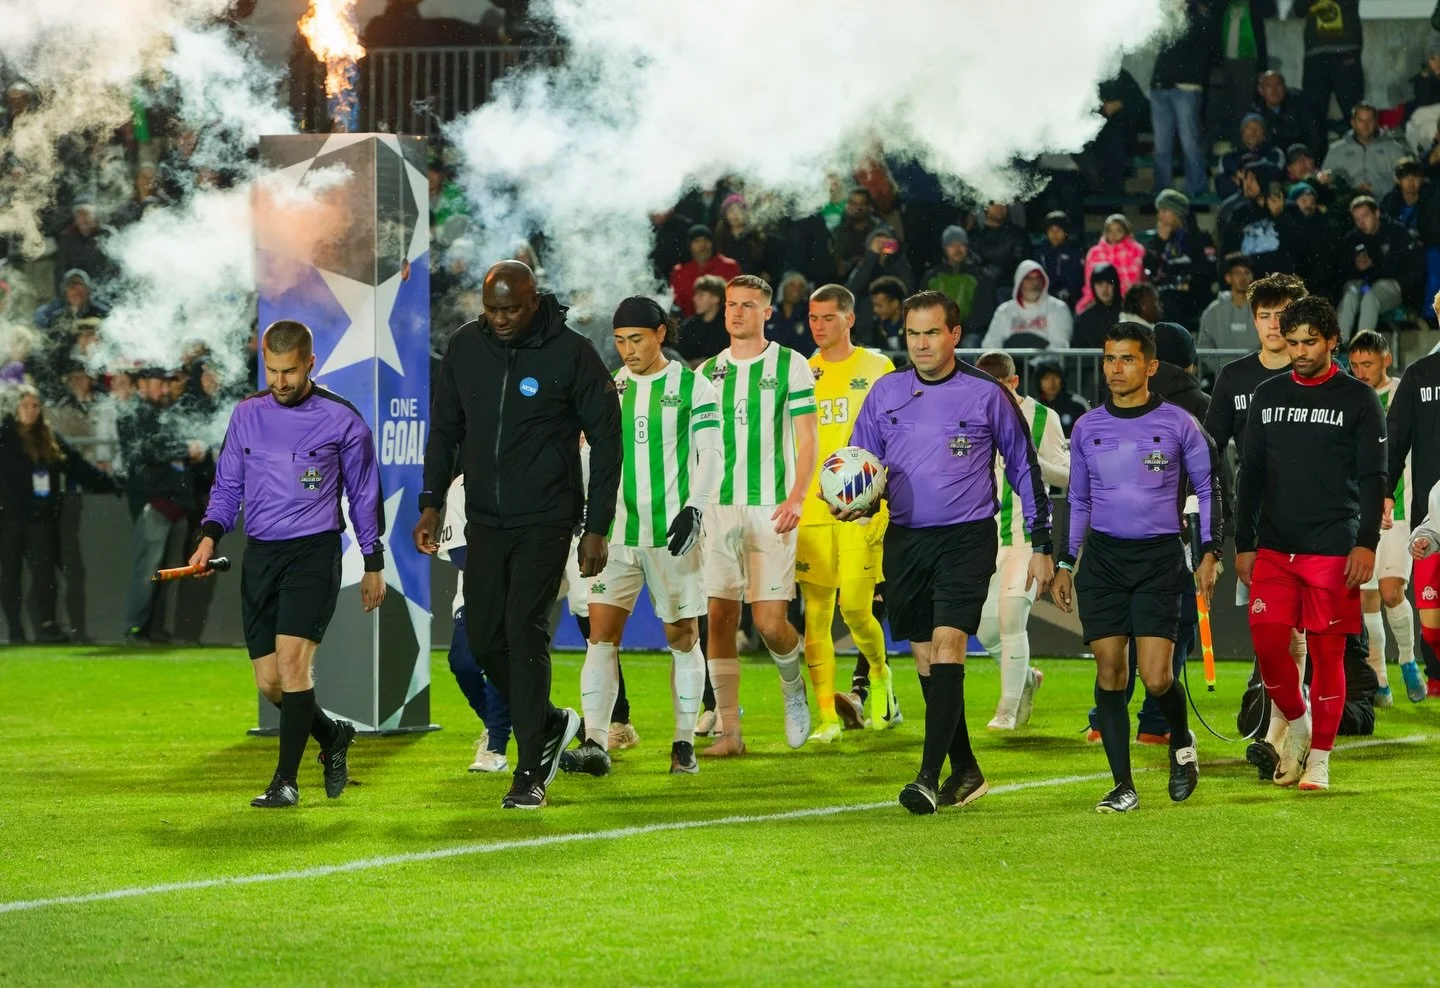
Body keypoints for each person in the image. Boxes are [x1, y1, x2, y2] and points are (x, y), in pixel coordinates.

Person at [416, 261, 623, 810]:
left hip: (547, 518)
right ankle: (550, 721)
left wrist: (596, 525)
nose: (501, 320)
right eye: (492, 311)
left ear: (535, 301)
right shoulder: (465, 348)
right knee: (484, 640)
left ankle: (529, 769)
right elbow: (444, 429)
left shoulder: (572, 352)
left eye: (511, 309)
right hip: (484, 518)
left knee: (524, 632)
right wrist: (431, 502)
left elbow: (607, 439)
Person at [844, 290, 1053, 815]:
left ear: (955, 335)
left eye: (931, 333)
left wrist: (1043, 543)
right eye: (913, 334)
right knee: (925, 659)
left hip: (967, 537)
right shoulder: (885, 392)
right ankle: (966, 768)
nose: (920, 344)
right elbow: (859, 462)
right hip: (906, 539)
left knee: (948, 646)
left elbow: (1025, 467)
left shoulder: (985, 393)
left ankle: (926, 778)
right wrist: (856, 502)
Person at [190, 321, 383, 808]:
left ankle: (285, 781)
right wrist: (208, 538)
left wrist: (372, 561)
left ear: (311, 365)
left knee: (295, 667)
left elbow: (363, 495)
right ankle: (332, 735)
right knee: (271, 683)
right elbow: (227, 485)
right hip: (261, 555)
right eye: (273, 371)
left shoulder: (343, 420)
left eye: (290, 372)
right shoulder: (246, 415)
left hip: (313, 553)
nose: (280, 382)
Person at [1052, 323, 1218, 812]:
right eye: (1108, 359)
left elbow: (1208, 490)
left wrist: (1210, 551)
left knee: (1157, 676)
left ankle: (1181, 741)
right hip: (1103, 560)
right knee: (1110, 672)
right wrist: (1066, 560)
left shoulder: (1179, 423)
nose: (1115, 369)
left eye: (1126, 359)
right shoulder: (1087, 427)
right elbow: (1078, 498)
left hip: (1158, 559)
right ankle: (1123, 784)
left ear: (1150, 366)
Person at [560, 298, 721, 777]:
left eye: (637, 339)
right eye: (621, 341)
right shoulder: (612, 389)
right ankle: (595, 742)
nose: (628, 350)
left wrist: (695, 508)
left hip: (672, 534)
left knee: (682, 636)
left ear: (660, 334)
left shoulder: (692, 387)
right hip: (616, 534)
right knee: (600, 638)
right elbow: (592, 457)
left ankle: (684, 742)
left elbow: (711, 454)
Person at [1235, 294, 1386, 792]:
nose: (1299, 351)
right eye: (1293, 341)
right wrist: (1245, 541)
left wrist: (1364, 543)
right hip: (1276, 546)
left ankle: (1319, 757)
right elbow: (1250, 474)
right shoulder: (1268, 395)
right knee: (1267, 641)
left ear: (1331, 342)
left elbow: (1372, 477)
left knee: (1326, 655)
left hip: (1332, 546)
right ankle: (1297, 727)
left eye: (1309, 342)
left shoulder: (1358, 399)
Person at [696, 275, 818, 756]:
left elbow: (807, 439)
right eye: (731, 304)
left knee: (769, 622)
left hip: (771, 507)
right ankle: (731, 732)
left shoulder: (791, 365)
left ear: (767, 312)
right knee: (719, 619)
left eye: (748, 305)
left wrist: (797, 498)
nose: (737, 312)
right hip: (716, 509)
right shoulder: (707, 373)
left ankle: (794, 692)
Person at [1203, 272, 1312, 776]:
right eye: (1264, 315)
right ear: (1252, 320)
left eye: (1281, 314)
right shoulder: (1235, 378)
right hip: (1257, 524)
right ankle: (1288, 726)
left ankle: (1277, 734)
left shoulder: (1317, 375)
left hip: (1311, 520)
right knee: (1270, 633)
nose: (1272, 324)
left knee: (1293, 633)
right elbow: (1206, 446)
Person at [794, 284, 896, 741]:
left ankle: (880, 678)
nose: (818, 326)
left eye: (827, 318)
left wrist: (883, 498)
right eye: (813, 318)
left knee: (856, 609)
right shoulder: (801, 371)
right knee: (815, 613)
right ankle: (827, 719)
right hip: (815, 509)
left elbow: (897, 432)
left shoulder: (878, 368)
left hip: (864, 508)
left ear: (849, 319)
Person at [974, 351, 1068, 730]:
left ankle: (1007, 710)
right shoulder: (972, 415)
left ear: (1013, 383)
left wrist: (1032, 462)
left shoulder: (1044, 419)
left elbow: (1070, 477)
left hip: (1028, 537)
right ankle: (1027, 678)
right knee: (984, 631)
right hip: (985, 539)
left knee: (1012, 617)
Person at [1346, 332, 1427, 705]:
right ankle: (1380, 679)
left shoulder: (1403, 393)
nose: (1361, 372)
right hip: (1359, 512)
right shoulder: (1347, 399)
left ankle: (1408, 661)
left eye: (1368, 364)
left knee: (1393, 591)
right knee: (1368, 601)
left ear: (1386, 359)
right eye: (1356, 365)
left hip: (1398, 510)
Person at [0, 386, 113, 645]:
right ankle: (16, 629)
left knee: (45, 576)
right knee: (10, 576)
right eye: (26, 405)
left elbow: (75, 466)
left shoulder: (48, 438)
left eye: (35, 406)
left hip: (41, 519)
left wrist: (107, 484)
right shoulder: (5, 437)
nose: (31, 411)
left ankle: (47, 625)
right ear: (15, 409)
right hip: (9, 519)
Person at [1383, 295, 1440, 700]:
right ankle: (1434, 670)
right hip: (1430, 518)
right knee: (1432, 613)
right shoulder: (1419, 376)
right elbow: (1394, 439)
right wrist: (1384, 492)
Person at [437, 473, 513, 773]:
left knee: (498, 661)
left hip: (519, 592)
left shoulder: (529, 471)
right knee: (462, 663)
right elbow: (459, 552)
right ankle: (496, 721)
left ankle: (495, 745)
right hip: (474, 594)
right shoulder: (463, 484)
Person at [1149, 0, 1214, 198]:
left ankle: (1196, 188)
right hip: (1161, 88)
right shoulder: (1163, 18)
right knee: (1161, 146)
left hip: (1186, 88)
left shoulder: (1198, 17)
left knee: (1190, 142)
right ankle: (1162, 190)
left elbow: (1202, 51)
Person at [1336, 195, 1423, 340]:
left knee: (1370, 298)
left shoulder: (1396, 232)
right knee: (1349, 296)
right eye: (1357, 219)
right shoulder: (1352, 238)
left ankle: (1362, 349)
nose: (1361, 222)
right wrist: (1356, 267)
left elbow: (1414, 265)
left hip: (1390, 284)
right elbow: (1342, 272)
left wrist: (1402, 284)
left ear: (1376, 213)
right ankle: (1337, 351)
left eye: (1365, 216)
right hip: (1361, 285)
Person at [1141, 190, 1216, 330]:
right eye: (1159, 211)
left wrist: (1183, 282)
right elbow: (1149, 271)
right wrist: (1160, 242)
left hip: (1194, 297)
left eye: (1164, 211)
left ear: (1177, 213)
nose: (1159, 216)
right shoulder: (1157, 240)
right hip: (1166, 299)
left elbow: (1208, 271)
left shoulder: (1200, 238)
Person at [1293, 0, 1364, 144]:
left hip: (1346, 49)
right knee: (1314, 116)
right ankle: (1320, 163)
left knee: (1354, 111)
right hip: (1316, 54)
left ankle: (1360, 158)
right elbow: (1299, 9)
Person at [921, 226, 997, 335]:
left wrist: (961, 330)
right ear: (944, 248)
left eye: (961, 244)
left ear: (967, 247)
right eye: (952, 245)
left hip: (970, 333)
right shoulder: (932, 277)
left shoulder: (982, 276)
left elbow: (984, 313)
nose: (957, 249)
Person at [1322, 103, 1407, 200]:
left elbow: (1403, 175)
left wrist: (1377, 187)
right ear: (1353, 122)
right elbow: (1326, 170)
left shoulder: (1393, 148)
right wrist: (1327, 173)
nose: (1365, 125)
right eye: (1361, 121)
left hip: (1384, 201)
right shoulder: (1336, 149)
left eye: (1370, 120)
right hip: (1348, 201)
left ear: (1376, 122)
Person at [982, 261, 1073, 349]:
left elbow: (1059, 345)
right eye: (1028, 278)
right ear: (1019, 282)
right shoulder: (1004, 310)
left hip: (1045, 364)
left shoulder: (1058, 308)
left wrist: (1035, 364)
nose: (1034, 282)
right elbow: (990, 343)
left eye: (1038, 278)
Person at [669, 225, 742, 318]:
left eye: (706, 240)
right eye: (697, 241)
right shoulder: (679, 271)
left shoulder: (730, 266)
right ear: (689, 245)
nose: (702, 245)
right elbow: (679, 304)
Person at [1078, 215, 1145, 314]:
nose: (1113, 235)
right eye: (1110, 231)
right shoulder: (1094, 252)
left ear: (1126, 231)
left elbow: (1134, 280)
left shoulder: (1136, 249)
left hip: (1127, 300)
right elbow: (1090, 282)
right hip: (1099, 299)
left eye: (1118, 231)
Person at [1216, 114, 1287, 200]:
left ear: (1264, 134)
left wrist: (1243, 179)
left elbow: (1276, 178)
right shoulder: (1228, 158)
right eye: (1249, 128)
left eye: (1258, 128)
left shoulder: (1275, 153)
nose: (1253, 132)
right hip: (1238, 203)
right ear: (1242, 133)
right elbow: (1222, 187)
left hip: (1267, 202)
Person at [1198, 254, 1258, 350]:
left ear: (1252, 277)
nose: (1242, 277)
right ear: (1228, 278)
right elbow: (1204, 348)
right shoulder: (1213, 311)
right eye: (1237, 273)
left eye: (1246, 273)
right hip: (1221, 365)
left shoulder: (1260, 310)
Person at [969, 203, 1030, 292]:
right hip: (982, 290)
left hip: (1011, 290)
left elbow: (1023, 266)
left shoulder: (1018, 234)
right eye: (994, 203)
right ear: (986, 208)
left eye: (1003, 203)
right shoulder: (974, 236)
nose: (999, 207)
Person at [1035, 211, 1085, 310]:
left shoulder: (1074, 250)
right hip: (1045, 296)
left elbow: (1076, 276)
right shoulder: (1041, 251)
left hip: (1069, 297)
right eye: (1051, 230)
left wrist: (1066, 292)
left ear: (1065, 231)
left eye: (1059, 230)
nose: (1055, 234)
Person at [1253, 70, 1312, 152]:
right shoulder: (1256, 113)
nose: (1274, 91)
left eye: (1278, 85)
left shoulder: (1299, 106)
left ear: (1284, 88)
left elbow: (1313, 136)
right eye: (1269, 86)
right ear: (1261, 90)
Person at [677, 274, 729, 365]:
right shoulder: (689, 325)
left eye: (701, 295)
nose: (695, 299)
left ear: (715, 298)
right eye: (695, 294)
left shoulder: (728, 326)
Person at [1030, 359, 1090, 436]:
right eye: (1046, 378)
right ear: (1039, 383)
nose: (1052, 382)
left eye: (1056, 377)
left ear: (1061, 380)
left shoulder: (1078, 404)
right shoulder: (1033, 408)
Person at [1072, 264, 1123, 349]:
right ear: (1093, 286)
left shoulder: (1130, 312)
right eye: (1099, 284)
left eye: (1109, 283)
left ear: (1116, 284)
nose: (1104, 289)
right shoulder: (1084, 318)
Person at [764, 272, 813, 355]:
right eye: (791, 285)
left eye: (801, 286)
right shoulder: (769, 312)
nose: (796, 289)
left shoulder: (810, 315)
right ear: (782, 288)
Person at [866, 276, 907, 351]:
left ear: (895, 303)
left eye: (879, 306)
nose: (875, 309)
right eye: (874, 305)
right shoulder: (876, 326)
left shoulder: (912, 325)